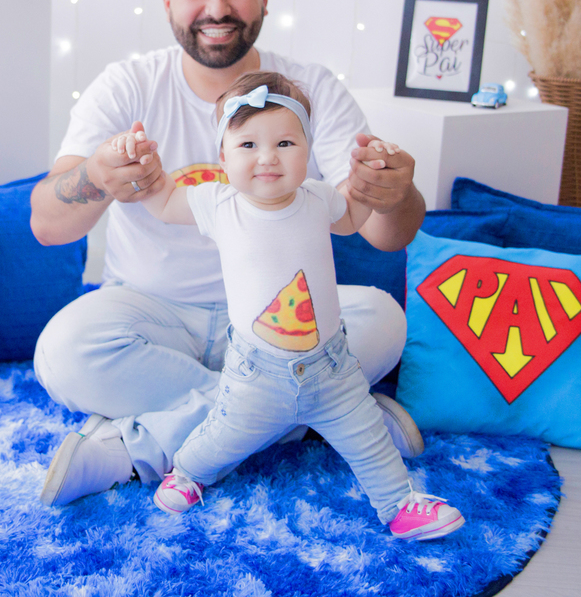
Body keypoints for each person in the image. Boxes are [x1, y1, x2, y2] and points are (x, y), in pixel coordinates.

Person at [30, 0, 428, 508]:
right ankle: (335, 416)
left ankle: (138, 449)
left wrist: (394, 190)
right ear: (168, 1)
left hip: (285, 324)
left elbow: (384, 232)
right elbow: (46, 224)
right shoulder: (127, 86)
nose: (217, 8)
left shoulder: (312, 89)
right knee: (63, 351)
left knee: (383, 320)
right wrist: (95, 175)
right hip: (156, 318)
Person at [114, 72, 462, 540]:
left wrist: (367, 179)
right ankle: (188, 473)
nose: (267, 157)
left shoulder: (318, 196)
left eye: (284, 143)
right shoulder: (218, 203)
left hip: (331, 368)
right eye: (247, 145)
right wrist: (145, 166)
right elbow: (162, 201)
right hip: (255, 372)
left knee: (370, 441)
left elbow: (352, 217)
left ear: (308, 149)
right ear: (223, 157)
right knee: (221, 437)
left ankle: (399, 506)